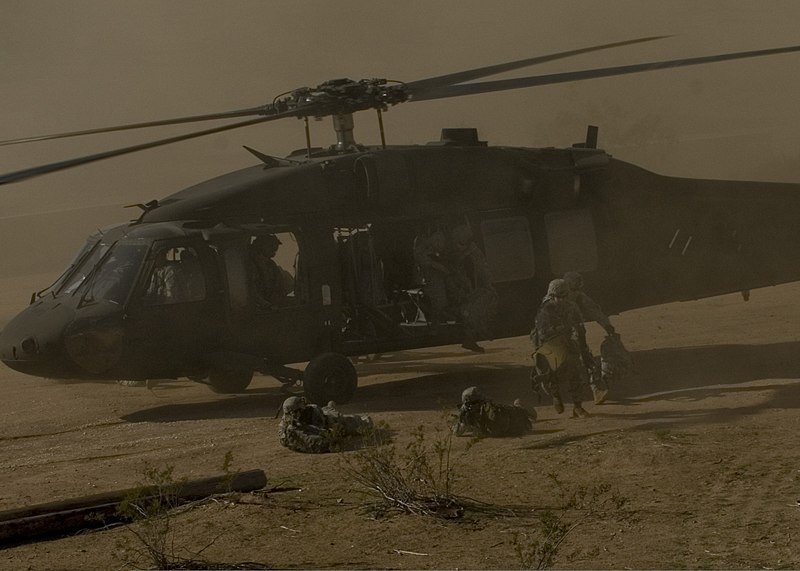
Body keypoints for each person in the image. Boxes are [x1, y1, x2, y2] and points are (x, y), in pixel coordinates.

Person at [530, 278, 591, 418]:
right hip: (549, 343)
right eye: (558, 297)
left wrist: (582, 347)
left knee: (575, 372)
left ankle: (578, 406)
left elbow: (580, 326)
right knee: (550, 375)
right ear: (552, 296)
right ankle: (556, 395)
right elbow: (543, 333)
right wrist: (562, 329)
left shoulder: (572, 307)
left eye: (564, 297)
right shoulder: (545, 310)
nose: (561, 300)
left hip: (567, 341)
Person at [563, 271, 615, 403]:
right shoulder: (554, 300)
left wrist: (607, 325)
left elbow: (594, 310)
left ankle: (596, 390)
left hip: (576, 334)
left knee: (586, 359)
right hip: (560, 336)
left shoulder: (579, 297)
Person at [448, 224, 498, 354]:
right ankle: (474, 336)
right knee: (473, 310)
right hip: (463, 286)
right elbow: (457, 266)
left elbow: (482, 266)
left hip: (475, 284)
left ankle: (475, 335)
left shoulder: (472, 249)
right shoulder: (457, 251)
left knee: (483, 305)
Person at [278, 396, 373, 453]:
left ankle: (330, 407)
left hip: (330, 419)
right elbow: (284, 439)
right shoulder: (287, 423)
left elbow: (322, 427)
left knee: (360, 424)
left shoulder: (312, 411)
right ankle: (329, 407)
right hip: (324, 419)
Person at [452, 386, 535, 437]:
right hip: (520, 428)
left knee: (518, 406)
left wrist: (460, 420)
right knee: (518, 409)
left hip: (506, 430)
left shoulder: (468, 411)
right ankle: (520, 407)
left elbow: (457, 432)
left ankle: (519, 405)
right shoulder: (488, 407)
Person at [250, 234, 288, 308]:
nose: (275, 250)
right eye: (272, 246)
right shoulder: (250, 266)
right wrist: (267, 305)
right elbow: (251, 292)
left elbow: (280, 286)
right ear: (263, 246)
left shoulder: (271, 264)